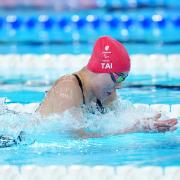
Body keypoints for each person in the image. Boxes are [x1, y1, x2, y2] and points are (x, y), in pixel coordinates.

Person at [36, 36, 177, 138]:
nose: (119, 85)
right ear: (100, 69)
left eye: (123, 78)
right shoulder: (69, 88)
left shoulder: (106, 94)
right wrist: (130, 130)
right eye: (117, 77)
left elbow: (122, 119)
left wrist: (146, 123)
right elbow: (73, 138)